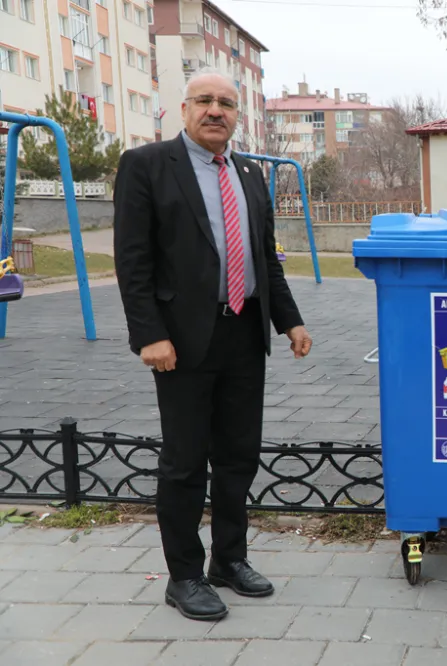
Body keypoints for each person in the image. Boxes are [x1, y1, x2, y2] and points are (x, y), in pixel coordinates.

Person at [113, 69, 313, 622]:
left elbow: (263, 258)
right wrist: (149, 334)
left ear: (236, 115)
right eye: (205, 101)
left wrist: (290, 323)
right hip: (181, 341)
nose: (216, 111)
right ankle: (184, 576)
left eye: (226, 103)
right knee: (184, 462)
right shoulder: (147, 165)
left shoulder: (249, 172)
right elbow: (132, 260)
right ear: (184, 109)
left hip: (245, 333)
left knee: (238, 457)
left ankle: (230, 559)